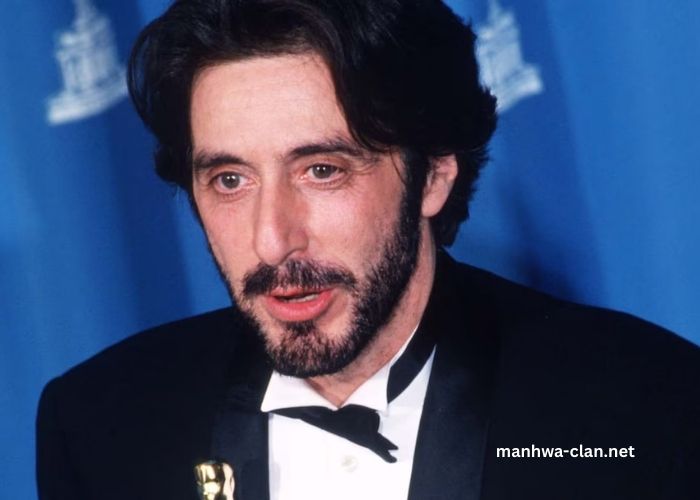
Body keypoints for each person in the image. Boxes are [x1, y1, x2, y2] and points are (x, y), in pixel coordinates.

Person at [36, 1, 699, 499]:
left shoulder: (643, 410)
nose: (272, 240)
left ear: (432, 175)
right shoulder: (102, 426)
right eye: (230, 180)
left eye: (321, 170)